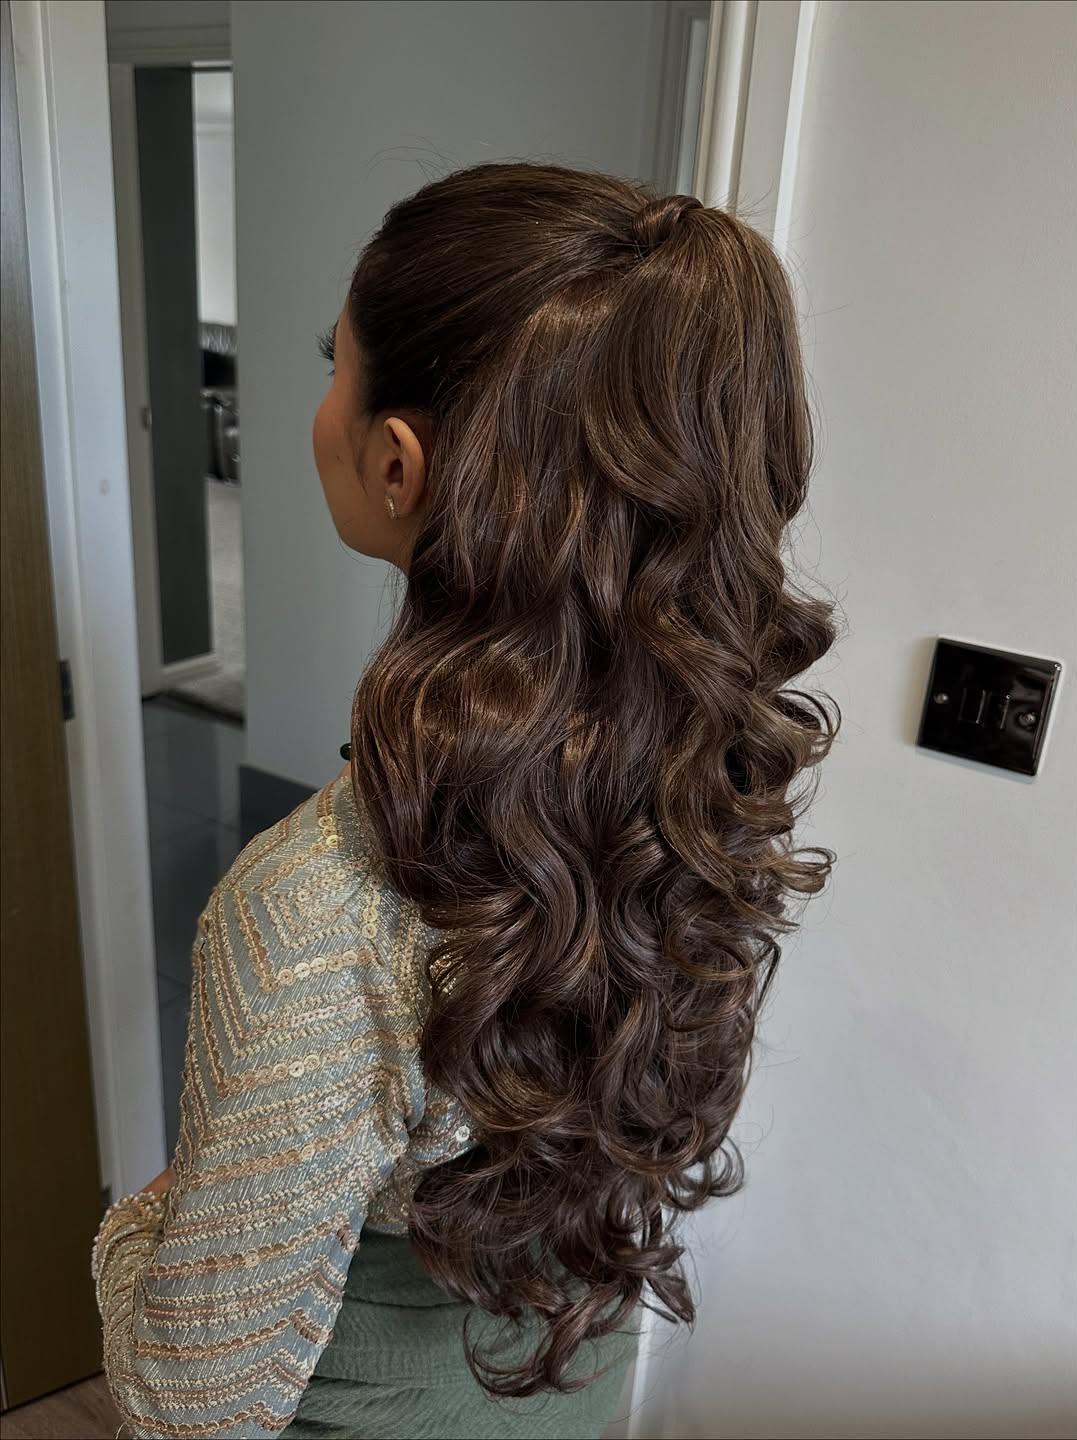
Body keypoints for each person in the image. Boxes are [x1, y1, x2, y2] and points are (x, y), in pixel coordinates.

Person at [93, 162, 837, 1440]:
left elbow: (188, 1395)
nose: (317, 403)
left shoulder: (312, 915)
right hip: (565, 1394)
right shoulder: (699, 762)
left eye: (335, 362)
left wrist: (138, 1228)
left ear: (397, 461)